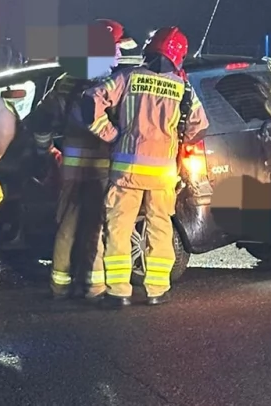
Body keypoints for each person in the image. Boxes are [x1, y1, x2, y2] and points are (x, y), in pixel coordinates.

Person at [85, 26, 208, 308]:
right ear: (179, 56)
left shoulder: (127, 78)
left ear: (149, 49)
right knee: (160, 228)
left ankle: (119, 291)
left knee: (118, 229)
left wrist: (110, 134)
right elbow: (199, 126)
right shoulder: (183, 88)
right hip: (162, 175)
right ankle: (157, 290)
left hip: (127, 171)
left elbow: (90, 101)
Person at [31, 19, 128, 300]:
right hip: (102, 167)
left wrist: (45, 151)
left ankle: (59, 285)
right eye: (117, 47)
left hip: (71, 167)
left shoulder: (65, 82)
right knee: (96, 227)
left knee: (67, 225)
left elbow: (41, 121)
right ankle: (94, 287)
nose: (120, 53)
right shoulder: (113, 84)